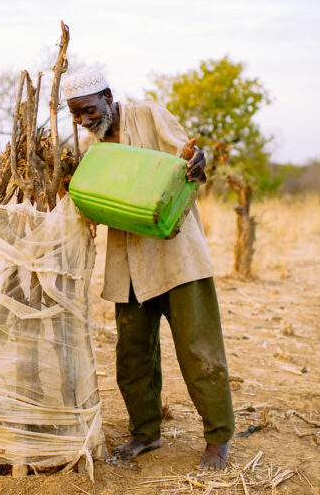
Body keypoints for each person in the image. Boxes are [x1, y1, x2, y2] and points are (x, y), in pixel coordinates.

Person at [62, 70, 234, 470]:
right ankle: (146, 433)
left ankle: (218, 438)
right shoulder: (93, 149)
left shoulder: (149, 114)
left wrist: (197, 160)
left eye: (88, 110)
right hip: (128, 264)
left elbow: (186, 154)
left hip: (177, 256)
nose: (83, 121)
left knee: (198, 349)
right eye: (75, 116)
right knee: (133, 356)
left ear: (107, 97)